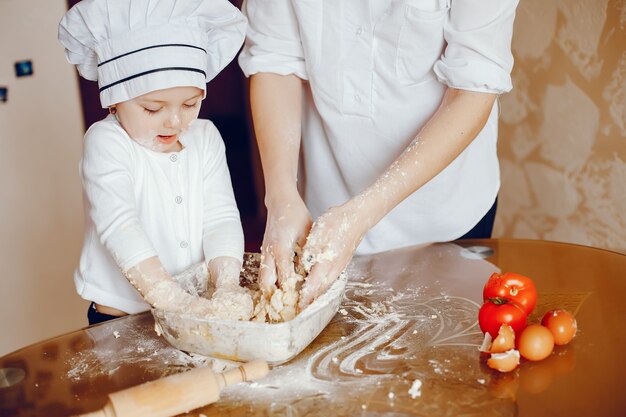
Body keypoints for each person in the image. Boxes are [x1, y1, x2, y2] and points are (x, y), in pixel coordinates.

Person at [238, 0, 519, 308]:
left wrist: (362, 214)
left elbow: (473, 89)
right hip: (324, 209)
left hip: (445, 215)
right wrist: (281, 196)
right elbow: (274, 59)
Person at [58, 0, 252, 325]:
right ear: (115, 100)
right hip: (122, 319)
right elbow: (120, 226)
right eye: (153, 108)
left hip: (195, 309)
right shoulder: (107, 143)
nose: (174, 121)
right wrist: (174, 301)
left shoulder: (205, 137)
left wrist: (227, 285)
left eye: (190, 104)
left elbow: (220, 217)